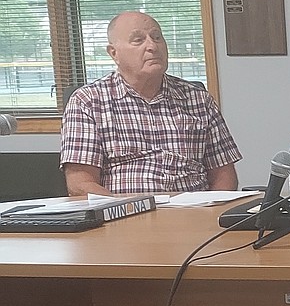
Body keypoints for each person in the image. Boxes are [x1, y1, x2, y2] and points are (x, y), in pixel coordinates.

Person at [60, 11, 240, 196]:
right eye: (138, 40)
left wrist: (212, 214)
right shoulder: (87, 102)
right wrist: (123, 210)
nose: (152, 46)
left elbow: (223, 176)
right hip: (123, 216)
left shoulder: (199, 100)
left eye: (157, 37)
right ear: (114, 53)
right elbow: (80, 184)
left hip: (195, 213)